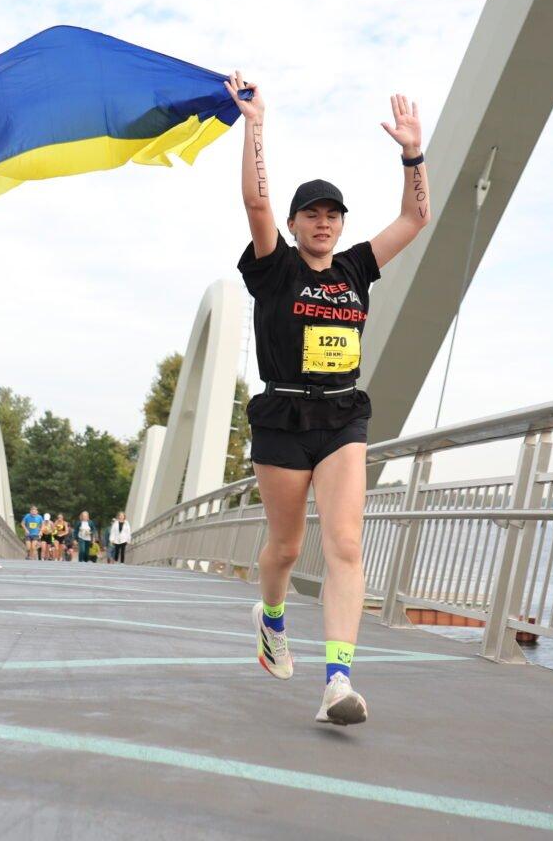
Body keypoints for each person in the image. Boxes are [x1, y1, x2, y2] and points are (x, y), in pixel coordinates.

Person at [225, 75, 431, 727]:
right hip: (283, 417)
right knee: (287, 549)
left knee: (345, 544)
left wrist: (413, 153)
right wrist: (255, 124)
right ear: (293, 225)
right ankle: (271, 618)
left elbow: (416, 218)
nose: (323, 222)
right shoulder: (275, 266)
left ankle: (338, 681)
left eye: (332, 215)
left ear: (342, 225)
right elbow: (255, 202)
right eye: (311, 214)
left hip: (343, 415)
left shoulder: (355, 268)